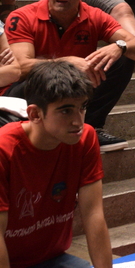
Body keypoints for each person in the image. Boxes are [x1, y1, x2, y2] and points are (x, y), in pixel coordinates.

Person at [7, 0, 135, 151]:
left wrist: (119, 46)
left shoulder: (95, 15)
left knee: (123, 57)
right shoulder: (22, 17)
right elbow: (20, 68)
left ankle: (91, 126)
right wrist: (66, 62)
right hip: (29, 91)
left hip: (75, 86)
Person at [0, 61, 114, 268]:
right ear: (35, 114)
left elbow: (93, 215)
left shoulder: (85, 138)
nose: (78, 121)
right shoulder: (4, 148)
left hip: (51, 258)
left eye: (82, 107)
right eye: (66, 111)